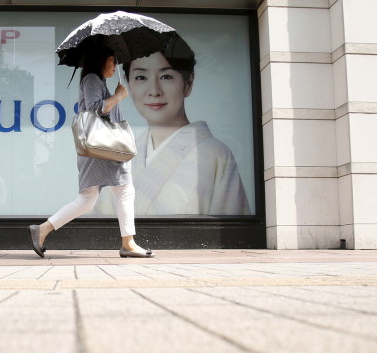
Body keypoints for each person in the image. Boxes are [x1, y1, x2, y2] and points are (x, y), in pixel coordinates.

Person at [95, 35, 251, 216]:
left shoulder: (215, 154)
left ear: (188, 83)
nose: (154, 91)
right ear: (128, 84)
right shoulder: (123, 157)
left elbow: (228, 231)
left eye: (166, 76)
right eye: (141, 77)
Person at [28, 45, 154, 258]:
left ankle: (43, 229)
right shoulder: (92, 79)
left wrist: (115, 96)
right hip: (104, 148)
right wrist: (118, 97)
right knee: (124, 190)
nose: (115, 65)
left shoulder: (96, 80)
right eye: (112, 60)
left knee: (87, 199)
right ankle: (128, 243)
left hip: (99, 149)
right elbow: (95, 109)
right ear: (101, 60)